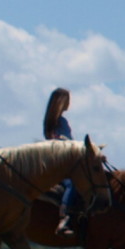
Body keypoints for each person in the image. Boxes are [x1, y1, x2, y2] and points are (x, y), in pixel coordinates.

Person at [43, 87, 82, 236]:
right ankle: (64, 217)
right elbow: (61, 140)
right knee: (72, 183)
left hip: (62, 159)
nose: (69, 103)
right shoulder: (57, 121)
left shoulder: (55, 121)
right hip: (61, 162)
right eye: (67, 99)